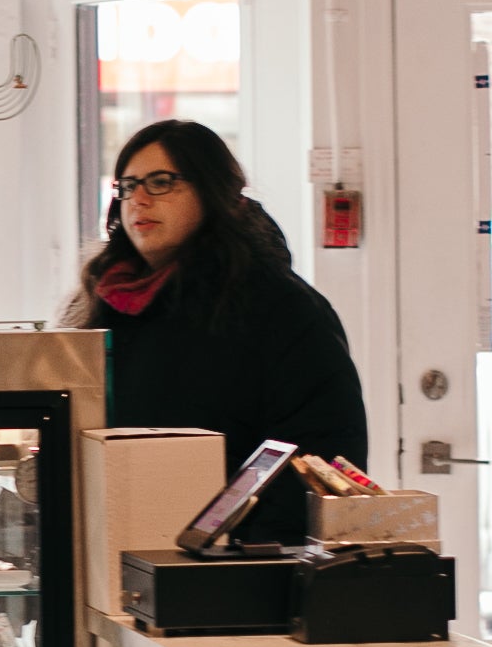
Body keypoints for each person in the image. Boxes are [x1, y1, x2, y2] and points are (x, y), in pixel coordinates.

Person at [66, 120, 367, 542]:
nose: (138, 200)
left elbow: (320, 460)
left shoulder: (281, 309)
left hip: (225, 573)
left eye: (161, 182)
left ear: (212, 191)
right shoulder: (103, 302)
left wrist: (231, 554)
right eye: (128, 186)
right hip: (110, 552)